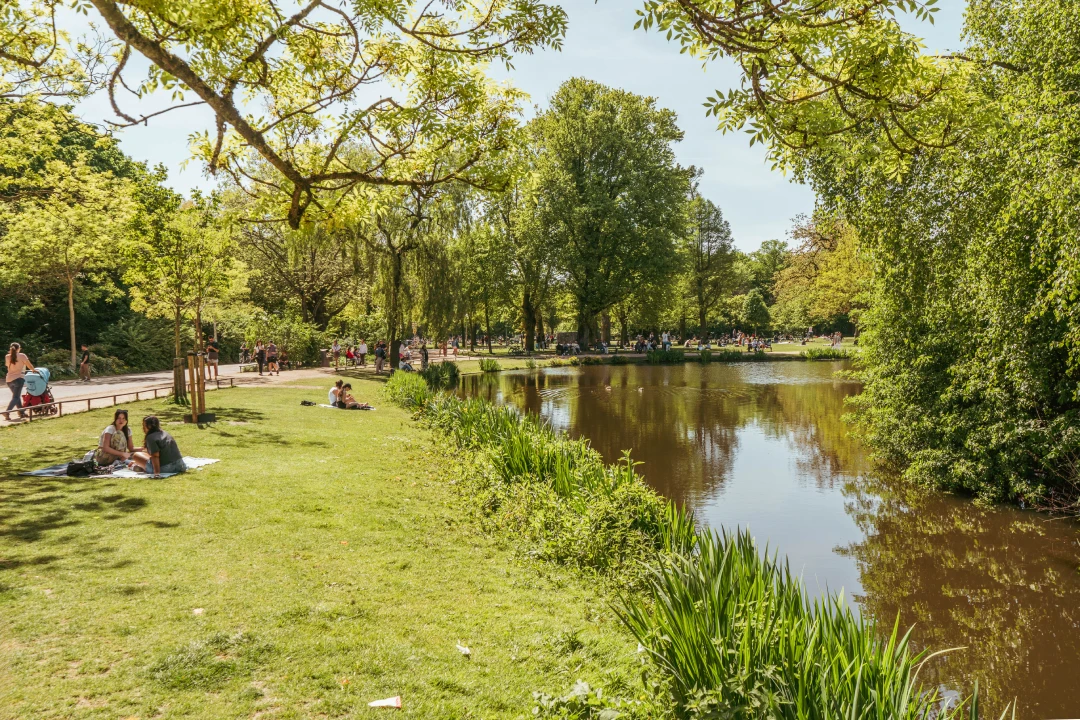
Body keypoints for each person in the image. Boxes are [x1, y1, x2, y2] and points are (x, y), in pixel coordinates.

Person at [4, 343, 34, 422]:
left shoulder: (7, 356)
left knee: (16, 396)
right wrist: (34, 370)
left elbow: (9, 366)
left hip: (9, 380)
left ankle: (22, 413)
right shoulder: (22, 355)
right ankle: (7, 412)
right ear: (18, 348)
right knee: (16, 397)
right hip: (18, 379)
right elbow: (29, 365)